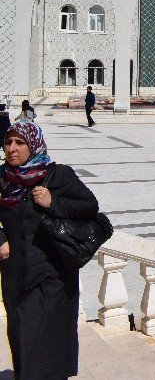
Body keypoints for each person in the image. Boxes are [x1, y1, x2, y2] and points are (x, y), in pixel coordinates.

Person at [0, 120, 100, 380]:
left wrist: (53, 202)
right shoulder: (2, 179)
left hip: (53, 272)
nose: (11, 148)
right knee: (21, 336)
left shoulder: (58, 175)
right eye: (8, 141)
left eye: (19, 142)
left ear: (33, 145)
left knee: (40, 332)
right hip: (16, 274)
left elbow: (89, 206)